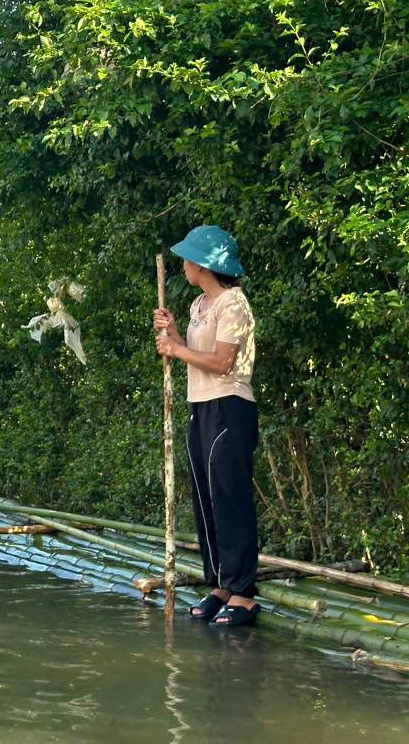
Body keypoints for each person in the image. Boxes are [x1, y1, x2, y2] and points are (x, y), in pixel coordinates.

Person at [153, 225, 259, 628]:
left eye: (187, 259)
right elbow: (195, 353)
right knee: (206, 497)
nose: (183, 265)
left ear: (202, 264)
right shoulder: (201, 303)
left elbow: (221, 363)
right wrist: (174, 331)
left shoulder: (234, 304)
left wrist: (177, 349)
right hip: (201, 406)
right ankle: (219, 583)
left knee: (230, 498)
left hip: (230, 408)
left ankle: (243, 593)